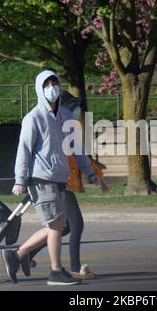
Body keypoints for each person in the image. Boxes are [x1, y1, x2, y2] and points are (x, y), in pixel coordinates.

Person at [1, 70, 106, 286]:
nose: (52, 88)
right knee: (58, 225)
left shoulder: (66, 116)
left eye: (55, 83)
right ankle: (56, 271)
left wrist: (91, 173)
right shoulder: (34, 118)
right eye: (47, 84)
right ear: (40, 89)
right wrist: (19, 180)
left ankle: (18, 255)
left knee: (56, 225)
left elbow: (77, 148)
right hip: (41, 178)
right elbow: (24, 150)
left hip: (60, 178)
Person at [23, 91, 110, 280]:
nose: (77, 111)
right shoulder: (57, 127)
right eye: (74, 107)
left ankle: (26, 254)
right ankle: (75, 268)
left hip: (63, 184)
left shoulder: (68, 127)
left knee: (65, 227)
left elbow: (80, 155)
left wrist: (96, 175)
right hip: (59, 183)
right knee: (75, 225)